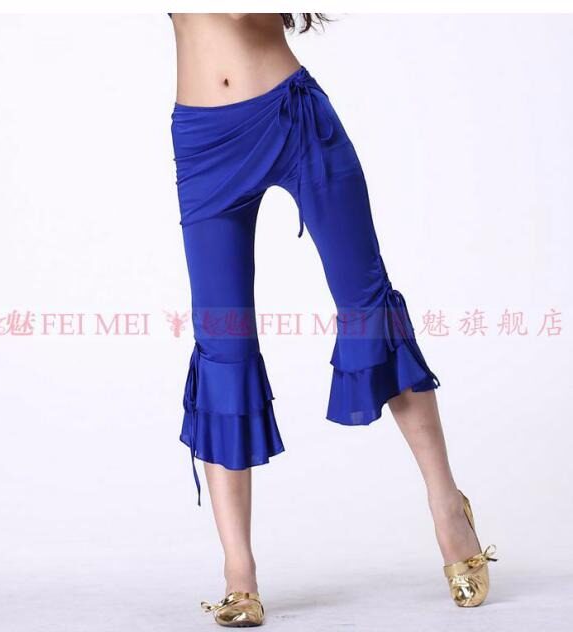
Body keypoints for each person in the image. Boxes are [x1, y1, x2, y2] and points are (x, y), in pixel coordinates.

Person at [169, 13, 497, 627]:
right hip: (204, 138)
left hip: (293, 118)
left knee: (367, 307)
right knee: (222, 342)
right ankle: (239, 573)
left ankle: (448, 507)